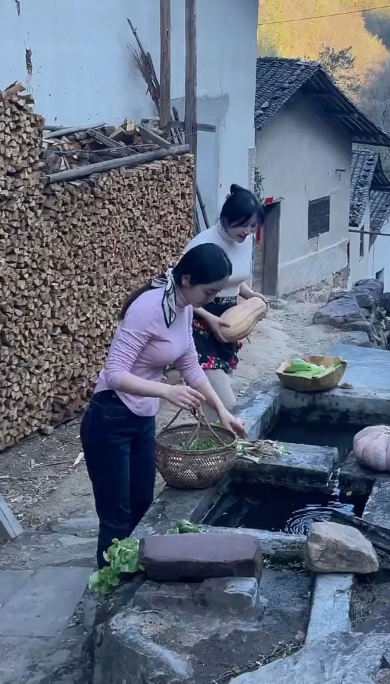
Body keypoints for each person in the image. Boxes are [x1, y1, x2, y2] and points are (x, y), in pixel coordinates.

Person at [81, 243, 247, 567]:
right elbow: (114, 374)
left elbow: (190, 365)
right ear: (186, 279)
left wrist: (222, 411)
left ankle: (132, 581)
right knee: (117, 517)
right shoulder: (149, 308)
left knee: (143, 505)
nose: (211, 301)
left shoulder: (181, 306)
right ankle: (106, 597)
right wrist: (165, 391)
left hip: (142, 419)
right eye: (209, 291)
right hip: (111, 416)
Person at [182, 185, 266, 419]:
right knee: (224, 403)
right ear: (227, 218)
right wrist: (210, 319)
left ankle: (210, 449)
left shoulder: (244, 240)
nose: (249, 231)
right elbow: (181, 291)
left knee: (214, 402)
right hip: (199, 325)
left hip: (227, 324)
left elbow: (232, 280)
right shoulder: (203, 246)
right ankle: (219, 447)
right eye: (244, 225)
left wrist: (250, 295)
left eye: (253, 226)